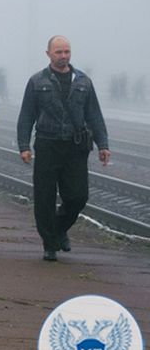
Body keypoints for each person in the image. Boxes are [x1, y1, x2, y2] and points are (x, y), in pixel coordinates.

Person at [16, 36, 111, 262]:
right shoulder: (37, 82)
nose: (63, 56)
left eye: (67, 51)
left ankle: (59, 228)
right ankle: (49, 244)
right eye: (58, 52)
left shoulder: (83, 82)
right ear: (48, 53)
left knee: (78, 196)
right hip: (48, 144)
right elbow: (27, 116)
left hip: (75, 146)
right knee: (45, 197)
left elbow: (94, 115)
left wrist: (103, 144)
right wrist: (24, 146)